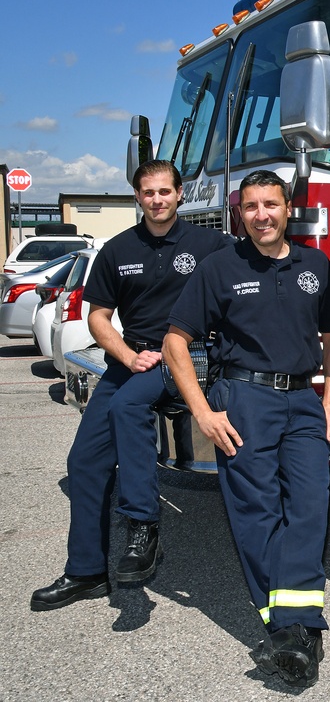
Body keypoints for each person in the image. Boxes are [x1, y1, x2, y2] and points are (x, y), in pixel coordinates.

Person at [162, 170, 330, 688]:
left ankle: (291, 629)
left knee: (311, 507)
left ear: (289, 208)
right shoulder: (219, 268)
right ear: (238, 214)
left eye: (270, 204)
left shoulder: (316, 264)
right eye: (250, 207)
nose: (261, 215)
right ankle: (294, 630)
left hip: (303, 400)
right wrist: (202, 412)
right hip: (243, 401)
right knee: (257, 514)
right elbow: (177, 342)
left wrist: (329, 401)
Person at [30, 160, 229, 612]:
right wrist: (127, 356)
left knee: (127, 410)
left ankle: (143, 526)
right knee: (84, 461)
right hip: (136, 359)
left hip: (191, 357)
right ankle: (85, 572)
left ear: (180, 194)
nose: (157, 200)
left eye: (164, 191)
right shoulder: (117, 250)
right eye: (147, 193)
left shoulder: (212, 244)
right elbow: (97, 317)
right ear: (137, 197)